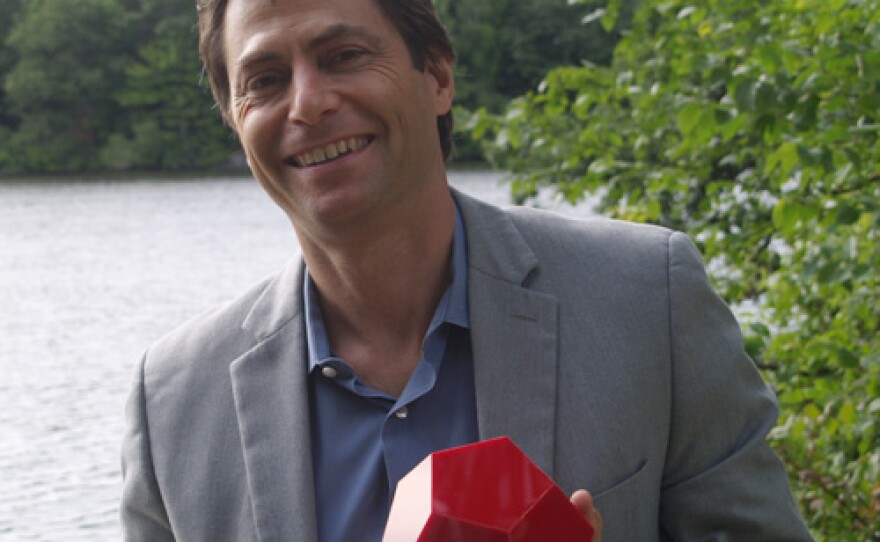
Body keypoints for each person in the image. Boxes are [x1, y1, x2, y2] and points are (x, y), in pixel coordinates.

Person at [120, 0, 814, 540]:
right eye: (266, 81)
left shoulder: (646, 300)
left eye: (344, 55)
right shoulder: (174, 401)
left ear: (438, 77)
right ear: (236, 122)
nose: (308, 103)